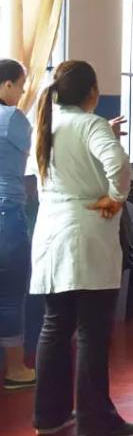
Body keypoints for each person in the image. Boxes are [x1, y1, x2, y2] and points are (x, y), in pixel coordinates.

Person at [30, 60, 133, 436]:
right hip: (85, 235)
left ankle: (49, 417)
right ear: (93, 92)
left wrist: (101, 133)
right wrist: (115, 198)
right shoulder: (90, 125)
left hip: (51, 235)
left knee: (55, 326)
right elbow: (119, 167)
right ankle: (95, 420)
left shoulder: (46, 124)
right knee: (91, 333)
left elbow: (74, 158)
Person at [0, 60, 35, 390]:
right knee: (10, 295)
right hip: (6, 215)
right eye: (21, 86)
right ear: (7, 84)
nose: (22, 93)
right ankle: (15, 369)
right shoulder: (12, 118)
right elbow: (41, 150)